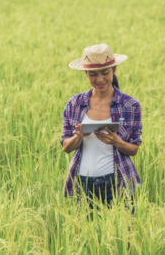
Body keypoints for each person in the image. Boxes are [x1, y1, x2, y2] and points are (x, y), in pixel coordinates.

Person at [60, 44, 142, 211]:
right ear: (86, 74)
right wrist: (79, 136)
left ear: (114, 69)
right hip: (82, 183)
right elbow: (66, 148)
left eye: (105, 73)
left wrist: (117, 142)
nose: (99, 79)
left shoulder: (130, 105)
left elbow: (134, 149)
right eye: (93, 74)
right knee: (83, 235)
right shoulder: (75, 104)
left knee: (123, 234)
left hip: (118, 183)